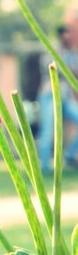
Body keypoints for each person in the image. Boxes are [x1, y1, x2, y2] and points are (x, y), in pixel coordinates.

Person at [36, 25, 78, 173]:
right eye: (65, 35)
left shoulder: (72, 52)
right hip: (50, 95)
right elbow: (53, 68)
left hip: (65, 97)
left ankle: (69, 155)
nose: (68, 38)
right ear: (61, 36)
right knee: (48, 131)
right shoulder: (51, 49)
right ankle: (44, 168)